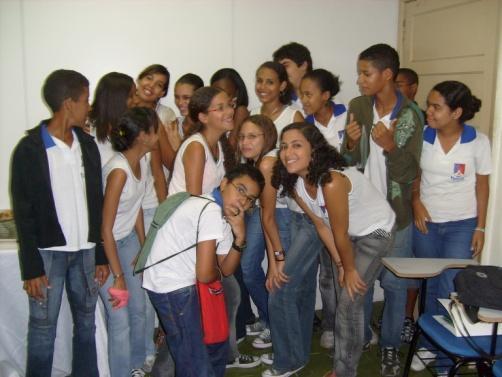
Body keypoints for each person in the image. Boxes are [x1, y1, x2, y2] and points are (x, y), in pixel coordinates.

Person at [273, 122, 396, 377]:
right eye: (284, 146)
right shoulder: (295, 183)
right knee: (345, 294)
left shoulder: (331, 181)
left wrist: (348, 269)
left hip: (377, 231)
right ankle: (360, 336)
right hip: (347, 232)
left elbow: (339, 232)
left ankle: (344, 371)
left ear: (314, 150)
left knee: (348, 300)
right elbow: (321, 225)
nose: (287, 152)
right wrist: (341, 265)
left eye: (297, 145)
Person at [11, 69, 108, 377]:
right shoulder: (29, 150)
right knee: (42, 328)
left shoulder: (87, 145)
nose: (88, 106)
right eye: (85, 99)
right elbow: (23, 214)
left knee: (86, 324)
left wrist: (101, 253)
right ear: (69, 103)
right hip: (47, 254)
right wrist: (31, 268)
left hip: (86, 252)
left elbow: (98, 203)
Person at [341, 43, 424, 377]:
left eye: (366, 73)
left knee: (394, 287)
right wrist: (348, 143)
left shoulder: (411, 116)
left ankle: (390, 345)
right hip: (360, 215)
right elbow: (348, 163)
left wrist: (390, 146)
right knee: (358, 285)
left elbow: (410, 173)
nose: (360, 80)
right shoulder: (358, 106)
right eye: (360, 72)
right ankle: (362, 336)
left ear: (386, 75)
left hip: (398, 218)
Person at [143, 164, 265, 377]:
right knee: (193, 360)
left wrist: (240, 238)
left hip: (176, 282)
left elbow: (226, 270)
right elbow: (205, 274)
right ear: (224, 182)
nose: (243, 201)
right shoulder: (208, 210)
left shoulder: (224, 214)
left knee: (192, 352)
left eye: (250, 199)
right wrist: (214, 270)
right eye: (241, 190)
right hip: (171, 285)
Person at [410, 81, 491, 373]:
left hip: (461, 224)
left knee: (451, 288)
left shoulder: (478, 142)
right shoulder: (422, 136)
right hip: (427, 224)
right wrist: (416, 200)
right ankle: (429, 346)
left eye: (436, 107)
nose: (428, 111)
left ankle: (448, 357)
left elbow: (483, 186)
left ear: (456, 112)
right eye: (428, 104)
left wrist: (480, 228)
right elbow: (414, 175)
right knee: (430, 286)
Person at [100, 107, 159, 377]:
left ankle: (137, 364)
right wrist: (118, 275)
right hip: (106, 248)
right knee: (120, 316)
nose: (158, 134)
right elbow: (105, 229)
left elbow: (135, 206)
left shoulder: (141, 162)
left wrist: (144, 244)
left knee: (140, 305)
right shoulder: (119, 171)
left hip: (126, 240)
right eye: (154, 129)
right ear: (143, 136)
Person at [234, 115, 291, 352]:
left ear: (267, 137)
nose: (244, 142)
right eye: (242, 137)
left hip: (281, 218)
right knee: (249, 269)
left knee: (272, 275)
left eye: (252, 137)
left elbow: (269, 216)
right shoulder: (258, 161)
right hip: (267, 215)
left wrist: (276, 259)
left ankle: (276, 326)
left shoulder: (267, 163)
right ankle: (269, 319)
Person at [300, 68, 348, 348]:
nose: (304, 100)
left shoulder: (349, 115)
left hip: (349, 205)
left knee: (351, 270)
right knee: (328, 274)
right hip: (320, 207)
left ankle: (355, 328)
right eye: (301, 94)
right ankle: (331, 325)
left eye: (309, 94)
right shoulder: (304, 125)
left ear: (326, 95)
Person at [394, 66, 423, 343]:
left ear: (413, 87)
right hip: (400, 206)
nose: (395, 89)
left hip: (414, 208)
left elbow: (414, 167)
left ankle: (406, 318)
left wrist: (416, 200)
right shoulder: (394, 116)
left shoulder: (416, 118)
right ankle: (399, 317)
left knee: (410, 266)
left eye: (400, 84)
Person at [89, 72, 136, 167]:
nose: (136, 101)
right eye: (131, 96)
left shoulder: (126, 129)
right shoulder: (88, 133)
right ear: (116, 100)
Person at [251, 61, 304, 140]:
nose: (262, 87)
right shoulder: (251, 114)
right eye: (259, 81)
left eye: (270, 82)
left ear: (282, 86)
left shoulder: (293, 117)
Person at [211, 68, 250, 147]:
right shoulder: (216, 112)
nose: (220, 97)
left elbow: (232, 145)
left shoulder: (240, 111)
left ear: (237, 92)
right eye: (216, 92)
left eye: (225, 93)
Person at [273, 42, 313, 112]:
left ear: (303, 65)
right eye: (279, 68)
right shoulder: (280, 103)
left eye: (285, 66)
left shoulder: (325, 99)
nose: (281, 71)